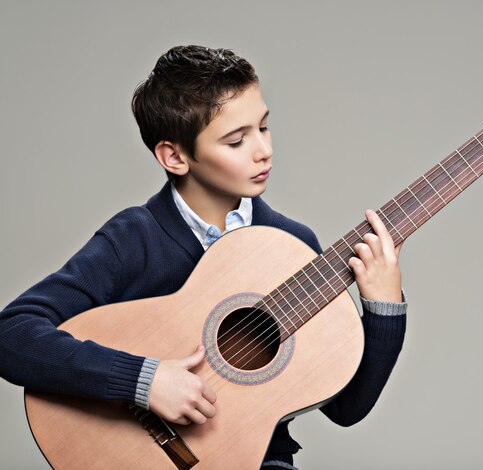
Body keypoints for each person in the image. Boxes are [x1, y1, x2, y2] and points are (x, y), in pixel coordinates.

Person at [0, 45, 407, 469]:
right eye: (236, 140)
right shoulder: (134, 238)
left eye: (264, 128)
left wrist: (384, 307)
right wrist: (144, 380)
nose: (263, 150)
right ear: (174, 156)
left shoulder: (290, 244)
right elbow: (10, 335)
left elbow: (346, 408)